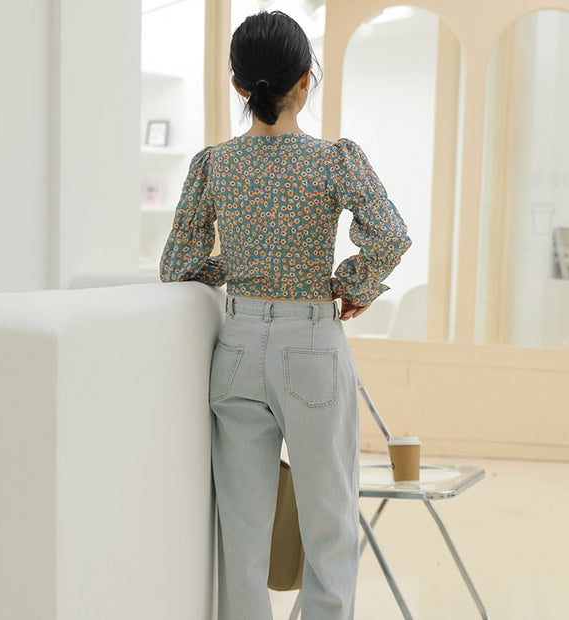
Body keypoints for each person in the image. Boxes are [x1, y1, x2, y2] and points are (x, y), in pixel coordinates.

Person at [160, 10, 411, 620]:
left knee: (242, 529)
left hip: (237, 349)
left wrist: (240, 263)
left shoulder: (213, 164)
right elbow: (390, 236)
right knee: (330, 521)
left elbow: (177, 265)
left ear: (239, 85)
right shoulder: (334, 160)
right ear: (306, 79)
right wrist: (351, 286)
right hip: (312, 349)